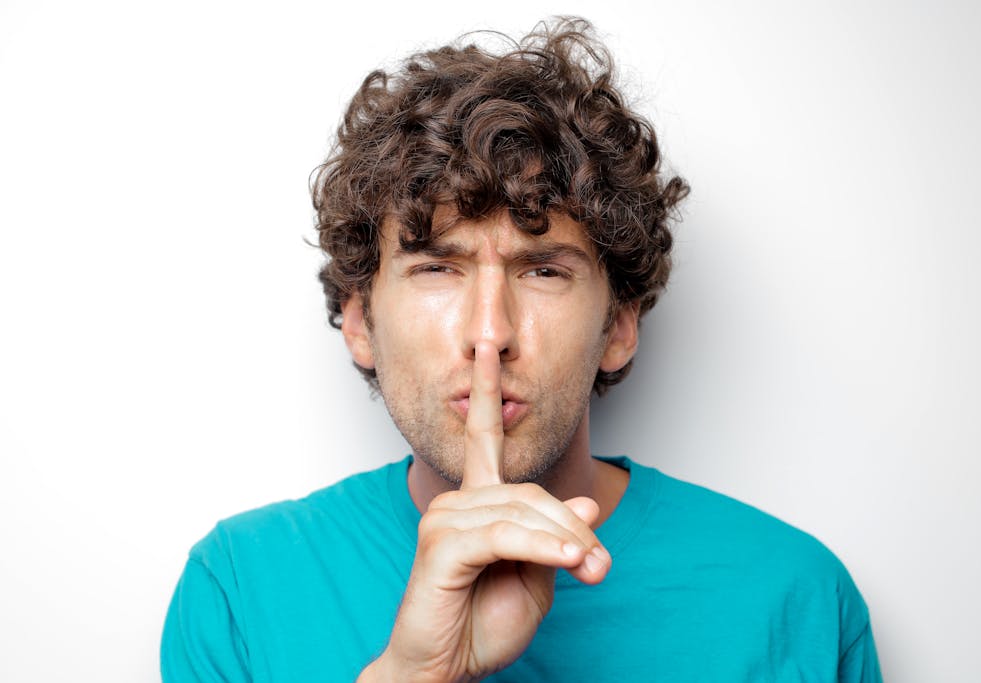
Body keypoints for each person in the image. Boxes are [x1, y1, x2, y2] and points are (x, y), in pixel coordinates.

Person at [161, 18, 882, 682]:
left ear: (619, 325)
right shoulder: (241, 588)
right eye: (437, 267)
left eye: (543, 271)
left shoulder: (794, 597)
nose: (489, 332)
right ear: (359, 320)